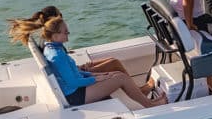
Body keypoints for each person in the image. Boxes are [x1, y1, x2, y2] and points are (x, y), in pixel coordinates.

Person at [9, 15, 165, 108]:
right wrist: (94, 78)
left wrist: (93, 74)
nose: (68, 35)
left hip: (76, 89)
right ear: (55, 36)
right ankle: (151, 105)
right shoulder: (57, 55)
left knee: (114, 73)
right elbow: (73, 81)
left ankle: (145, 98)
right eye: (65, 33)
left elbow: (73, 74)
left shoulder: (52, 48)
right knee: (121, 78)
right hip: (75, 96)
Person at [22, 6, 154, 93]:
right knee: (114, 64)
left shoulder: (48, 40)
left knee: (113, 61)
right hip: (76, 74)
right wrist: (91, 74)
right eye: (60, 16)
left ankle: (137, 89)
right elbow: (68, 73)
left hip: (74, 70)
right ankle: (140, 91)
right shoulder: (52, 43)